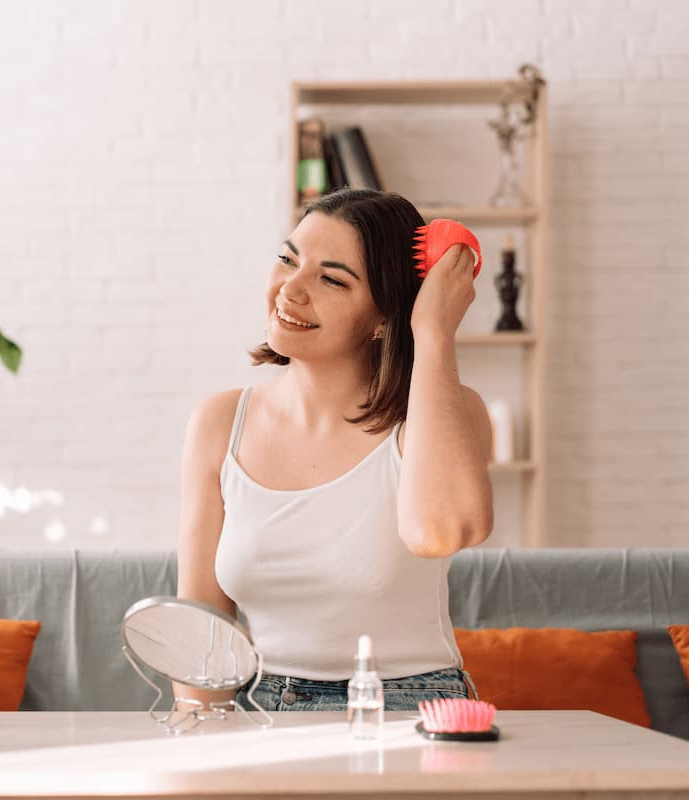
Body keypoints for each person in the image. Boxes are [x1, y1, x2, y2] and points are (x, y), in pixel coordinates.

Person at [175, 188, 493, 713]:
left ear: (384, 318)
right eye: (287, 259)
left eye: (331, 279)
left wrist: (433, 331)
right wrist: (199, 736)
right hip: (262, 710)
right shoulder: (218, 423)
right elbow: (204, 619)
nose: (290, 290)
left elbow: (439, 531)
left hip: (407, 708)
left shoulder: (444, 417)